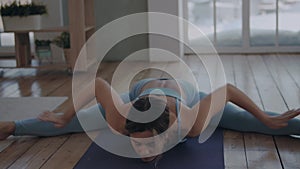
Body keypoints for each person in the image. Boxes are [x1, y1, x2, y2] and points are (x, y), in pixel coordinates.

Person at [0, 77, 300, 162]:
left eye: (150, 146)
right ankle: (11, 127)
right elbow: (97, 84)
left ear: (170, 133)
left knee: (265, 123)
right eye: (138, 145)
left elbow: (229, 90)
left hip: (188, 93)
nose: (143, 153)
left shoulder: (191, 123)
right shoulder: (120, 118)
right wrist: (65, 116)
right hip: (141, 92)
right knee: (77, 122)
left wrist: (262, 115)